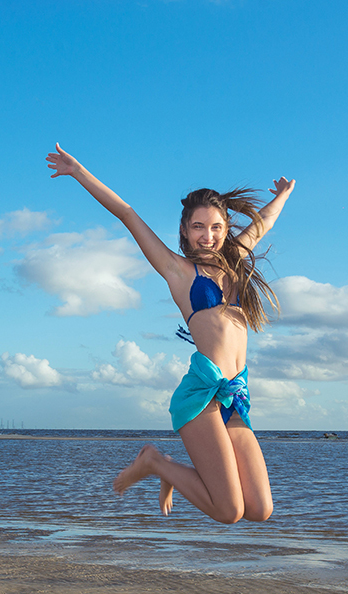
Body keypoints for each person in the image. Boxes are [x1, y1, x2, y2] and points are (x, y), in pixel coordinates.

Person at [46, 143, 294, 523]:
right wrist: (78, 171)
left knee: (260, 509)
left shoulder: (236, 262)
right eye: (198, 227)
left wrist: (282, 196)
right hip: (201, 395)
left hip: (235, 395)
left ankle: (168, 469)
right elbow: (127, 214)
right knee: (229, 511)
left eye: (215, 227)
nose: (207, 236)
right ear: (184, 229)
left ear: (226, 229)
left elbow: (265, 222)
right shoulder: (179, 272)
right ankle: (155, 463)